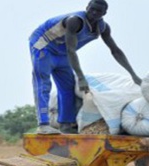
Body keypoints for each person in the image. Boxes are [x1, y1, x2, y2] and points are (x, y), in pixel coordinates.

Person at [29, 0, 142, 134]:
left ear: (104, 13)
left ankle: (65, 124)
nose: (94, 13)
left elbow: (115, 50)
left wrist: (133, 75)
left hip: (62, 52)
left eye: (98, 11)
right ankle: (43, 124)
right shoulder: (75, 21)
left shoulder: (102, 27)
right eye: (92, 9)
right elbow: (71, 50)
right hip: (44, 47)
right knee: (43, 84)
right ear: (87, 7)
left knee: (68, 86)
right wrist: (81, 78)